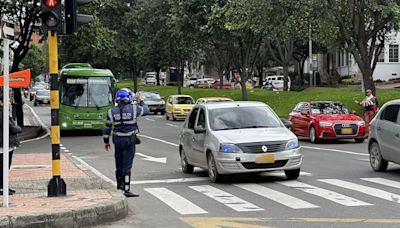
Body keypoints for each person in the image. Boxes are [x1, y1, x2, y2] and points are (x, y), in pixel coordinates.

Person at [103, 89, 149, 197]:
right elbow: (146, 110)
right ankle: (126, 189)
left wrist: (106, 141)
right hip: (129, 141)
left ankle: (119, 186)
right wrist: (140, 101)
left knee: (118, 163)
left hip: (117, 141)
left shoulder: (111, 111)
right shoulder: (134, 108)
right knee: (127, 165)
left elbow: (107, 127)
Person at [0, 93, 22, 195]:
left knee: (5, 167)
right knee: (3, 167)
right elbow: (12, 128)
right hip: (3, 145)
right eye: (7, 101)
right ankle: (2, 187)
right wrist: (18, 128)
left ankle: (4, 186)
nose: (9, 103)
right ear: (1, 102)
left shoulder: (5, 113)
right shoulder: (2, 114)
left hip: (7, 145)